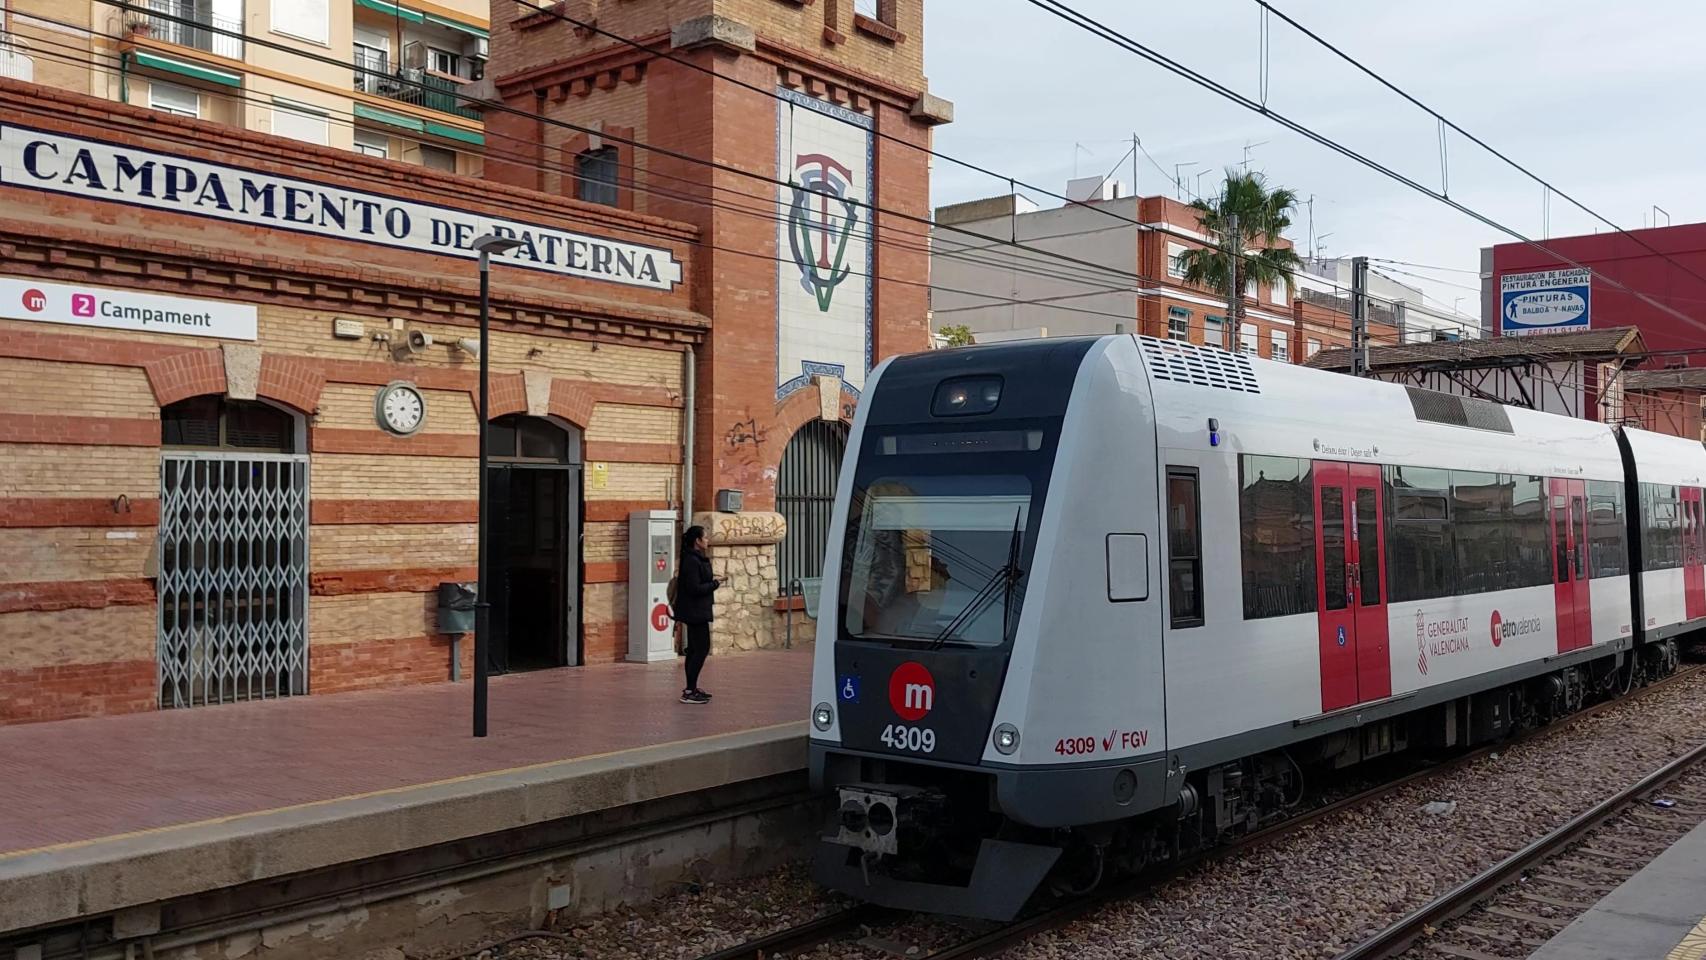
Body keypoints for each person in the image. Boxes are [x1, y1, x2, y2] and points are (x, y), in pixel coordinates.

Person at [674, 525, 721, 704]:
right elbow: (693, 588)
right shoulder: (692, 561)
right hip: (695, 612)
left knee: (694, 650)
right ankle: (689, 690)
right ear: (697, 541)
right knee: (701, 649)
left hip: (696, 610)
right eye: (705, 537)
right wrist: (714, 584)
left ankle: (691, 687)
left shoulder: (695, 558)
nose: (708, 540)